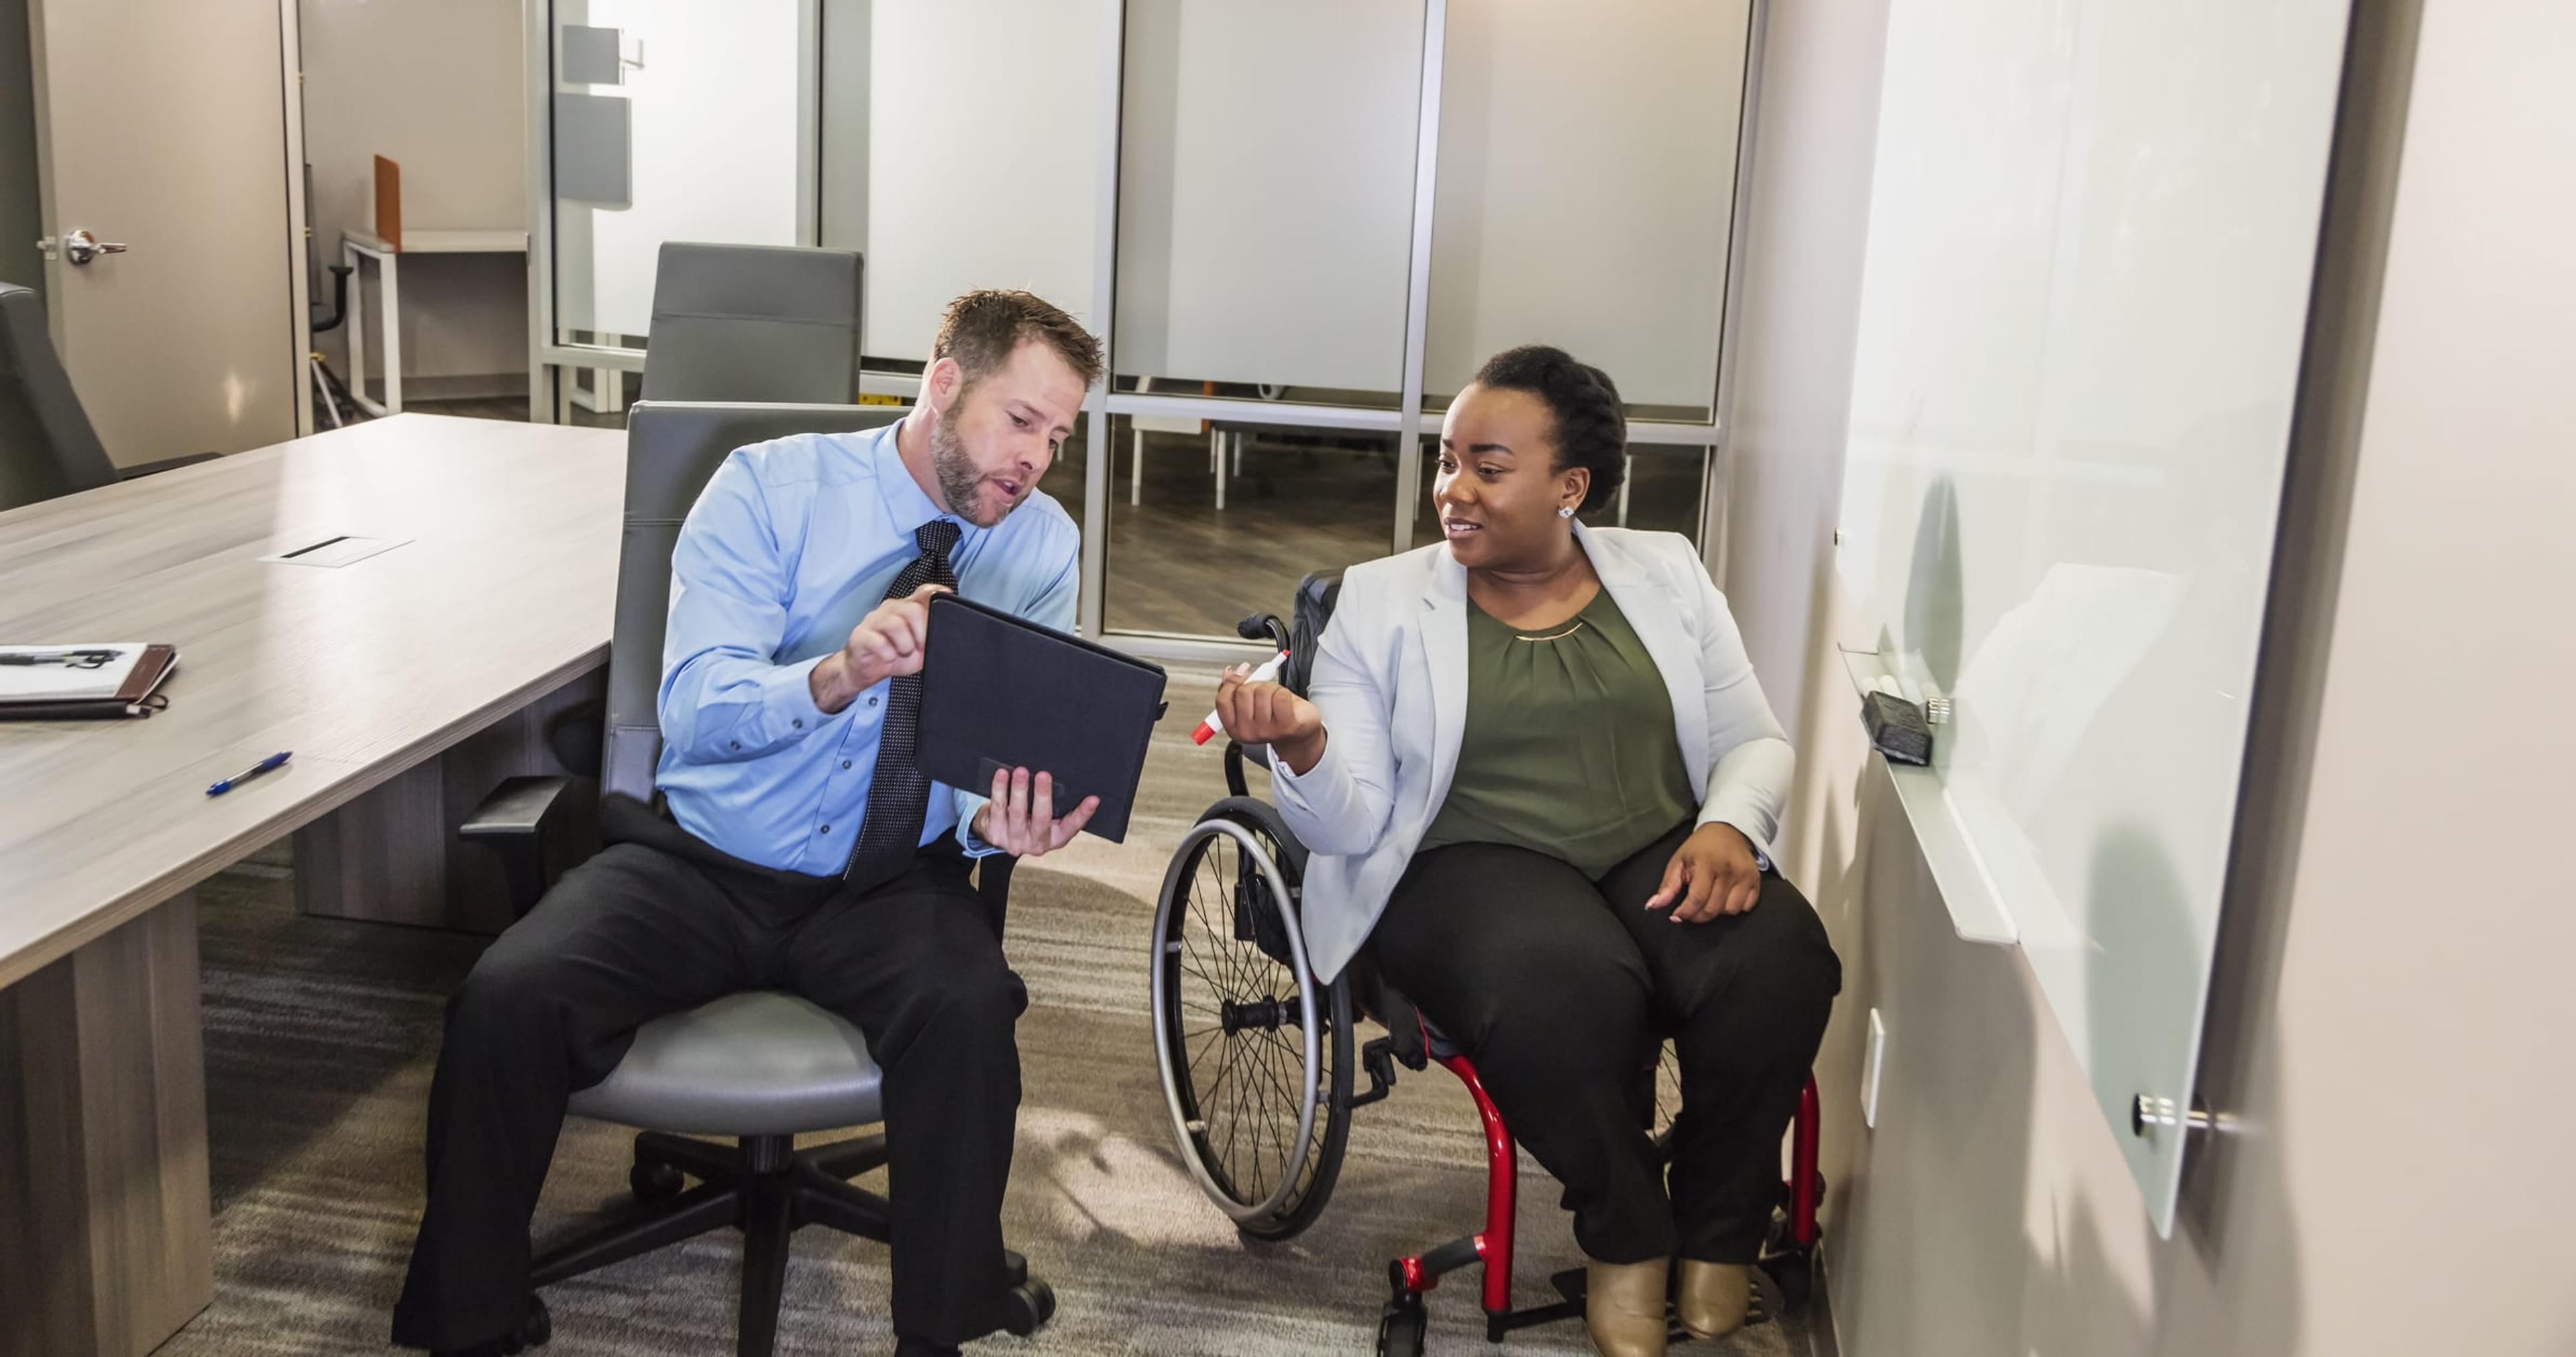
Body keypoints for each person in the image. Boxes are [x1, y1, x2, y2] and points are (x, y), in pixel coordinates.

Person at [391, 290, 1104, 1357]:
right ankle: (467, 1319)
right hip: (703, 862)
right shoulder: (772, 489)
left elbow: (998, 761)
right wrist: (836, 671)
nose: (1036, 460)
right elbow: (695, 710)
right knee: (509, 997)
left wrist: (1005, 829)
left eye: (1058, 436)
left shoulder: (1040, 545)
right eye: (1021, 421)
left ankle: (941, 1329)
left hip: (887, 883)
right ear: (944, 381)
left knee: (967, 1014)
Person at [1215, 346, 1841, 1357]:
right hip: (1462, 859)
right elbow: (1350, 823)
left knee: (1776, 962)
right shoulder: (1381, 603)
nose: (1451, 491)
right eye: (1447, 460)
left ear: (1571, 487)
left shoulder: (1666, 571)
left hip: (1653, 844)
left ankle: (1721, 1231)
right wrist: (1303, 745)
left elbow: (1754, 740)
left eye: (1487, 467)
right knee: (1564, 985)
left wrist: (1729, 825)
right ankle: (1629, 1233)